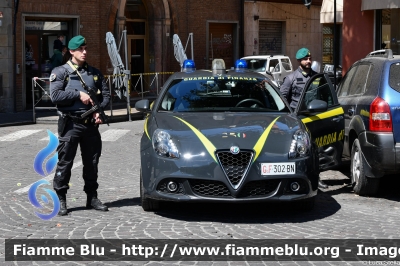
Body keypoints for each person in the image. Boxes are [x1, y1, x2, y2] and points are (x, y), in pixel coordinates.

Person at [49, 35, 110, 216]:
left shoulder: (95, 73)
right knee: (65, 162)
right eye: (80, 49)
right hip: (71, 124)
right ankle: (61, 198)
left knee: (91, 162)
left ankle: (92, 197)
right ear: (71, 51)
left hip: (90, 125)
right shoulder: (61, 72)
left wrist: (99, 111)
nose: (84, 52)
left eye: (85, 48)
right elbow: (55, 96)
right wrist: (78, 94)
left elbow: (105, 96)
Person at [280, 47, 328, 189]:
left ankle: (317, 177)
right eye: (305, 59)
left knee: (318, 149)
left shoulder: (316, 77)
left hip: (315, 118)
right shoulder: (291, 78)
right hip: (298, 119)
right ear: (299, 61)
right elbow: (283, 100)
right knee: (300, 150)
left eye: (310, 58)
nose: (308, 61)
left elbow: (324, 96)